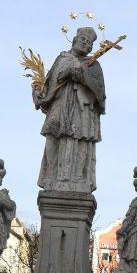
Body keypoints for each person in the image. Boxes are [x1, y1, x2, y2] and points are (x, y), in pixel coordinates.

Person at [32, 27, 105, 193]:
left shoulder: (93, 64)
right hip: (58, 105)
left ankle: (76, 178)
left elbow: (100, 93)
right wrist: (37, 92)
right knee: (52, 139)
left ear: (91, 48)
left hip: (81, 110)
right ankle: (51, 176)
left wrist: (79, 75)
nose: (85, 43)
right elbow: (48, 82)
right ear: (74, 40)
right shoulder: (62, 58)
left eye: (88, 42)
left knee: (78, 140)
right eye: (82, 39)